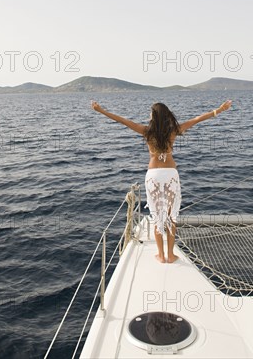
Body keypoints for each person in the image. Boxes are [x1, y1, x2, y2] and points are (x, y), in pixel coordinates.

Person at [91, 99, 232, 263]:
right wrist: (219, 110)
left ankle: (161, 255)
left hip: (154, 175)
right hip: (170, 173)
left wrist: (101, 110)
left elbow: (122, 120)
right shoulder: (173, 131)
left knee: (157, 216)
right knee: (171, 217)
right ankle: (171, 255)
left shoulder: (146, 131)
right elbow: (197, 119)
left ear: (154, 116)